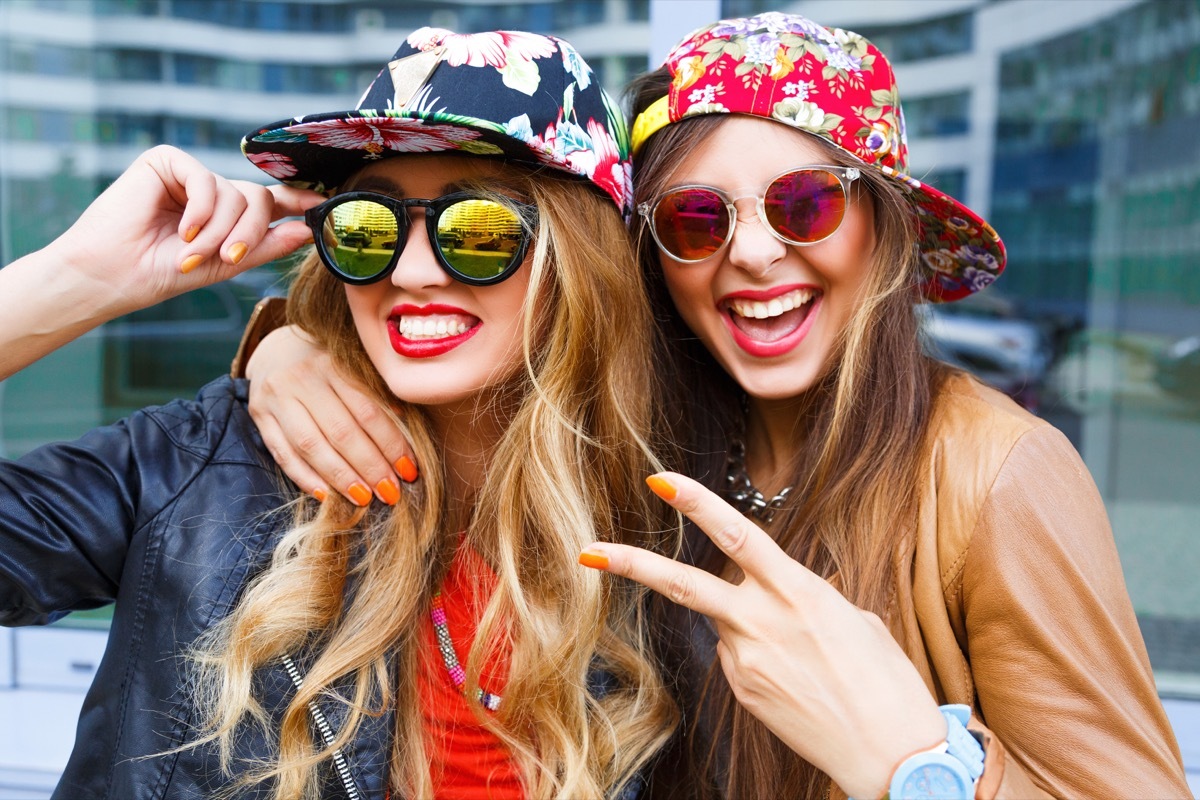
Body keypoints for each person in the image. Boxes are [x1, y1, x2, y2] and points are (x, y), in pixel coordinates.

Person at [235, 12, 1191, 800]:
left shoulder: (997, 472)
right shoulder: (647, 435)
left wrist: (914, 767)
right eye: (696, 218)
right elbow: (465, 366)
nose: (754, 255)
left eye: (804, 205)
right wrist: (288, 349)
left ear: (886, 231)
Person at [0, 29, 679, 800]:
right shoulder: (211, 466)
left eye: (479, 231)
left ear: (579, 258)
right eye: (367, 229)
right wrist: (77, 281)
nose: (412, 273)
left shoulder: (672, 515)